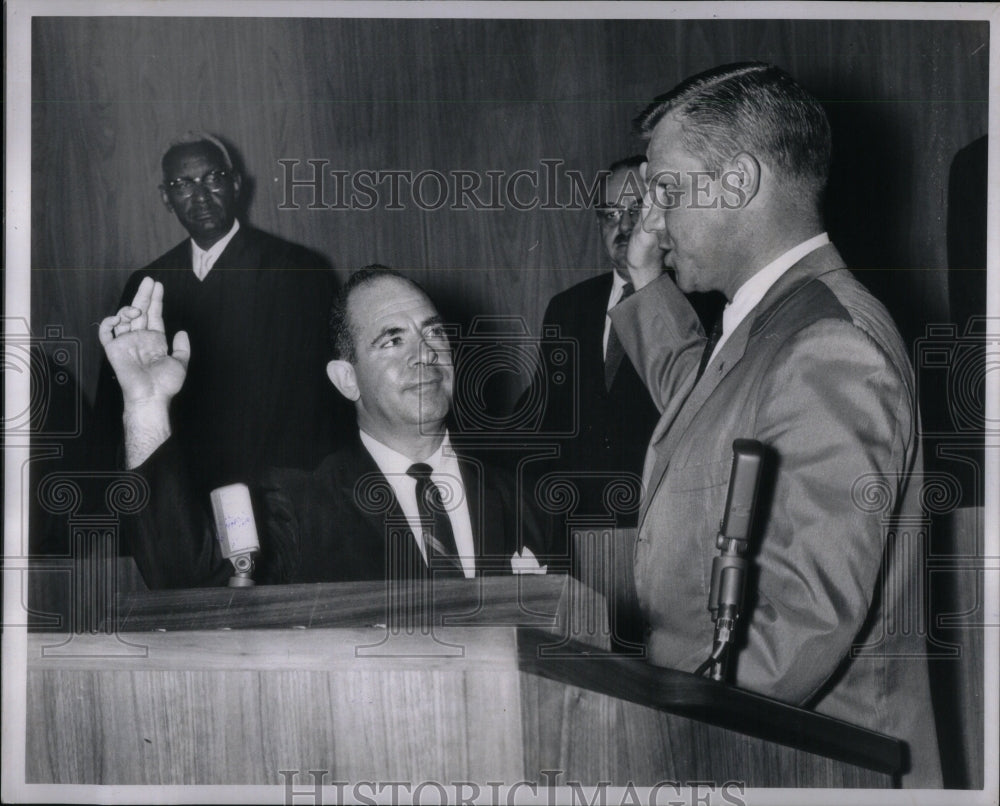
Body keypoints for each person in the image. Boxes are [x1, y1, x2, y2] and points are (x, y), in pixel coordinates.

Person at [610, 63, 941, 787]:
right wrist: (644, 285)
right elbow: (701, 404)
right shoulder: (777, 318)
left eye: (667, 190)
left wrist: (653, 748)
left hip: (800, 770)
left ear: (738, 183)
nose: (653, 220)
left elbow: (797, 624)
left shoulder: (831, 344)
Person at [99, 267, 547, 588]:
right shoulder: (300, 504)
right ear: (346, 379)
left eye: (434, 334)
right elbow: (186, 579)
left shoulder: (525, 500)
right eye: (393, 340)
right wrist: (146, 406)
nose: (425, 354)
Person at [95, 131, 349, 496]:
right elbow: (115, 409)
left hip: (281, 496)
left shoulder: (296, 271)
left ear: (236, 184)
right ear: (166, 197)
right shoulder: (148, 284)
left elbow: (322, 400)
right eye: (183, 184)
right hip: (182, 496)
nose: (201, 196)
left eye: (214, 178)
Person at [523, 156, 722, 531]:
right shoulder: (568, 308)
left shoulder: (707, 303)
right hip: (580, 531)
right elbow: (543, 419)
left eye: (635, 210)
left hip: (669, 524)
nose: (624, 226)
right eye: (610, 214)